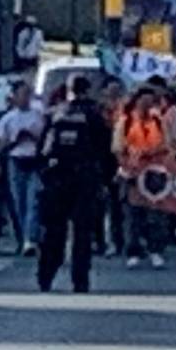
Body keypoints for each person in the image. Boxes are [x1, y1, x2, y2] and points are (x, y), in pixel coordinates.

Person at [36, 75, 115, 293]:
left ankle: (45, 275)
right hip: (85, 177)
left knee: (53, 229)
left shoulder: (55, 113)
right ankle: (80, 280)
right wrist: (106, 180)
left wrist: (44, 173)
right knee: (83, 231)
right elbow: (106, 149)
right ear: (87, 90)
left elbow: (41, 149)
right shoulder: (94, 115)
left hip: (56, 176)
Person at [116, 85, 176, 268]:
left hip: (154, 173)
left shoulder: (158, 121)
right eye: (144, 101)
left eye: (151, 101)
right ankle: (133, 251)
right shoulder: (126, 121)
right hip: (132, 174)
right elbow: (117, 148)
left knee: (156, 215)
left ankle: (155, 250)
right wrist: (129, 163)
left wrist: (155, 154)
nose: (147, 105)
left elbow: (168, 145)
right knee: (133, 215)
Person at [0, 82, 47, 257]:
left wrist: (33, 137)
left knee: (33, 201)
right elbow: (1, 144)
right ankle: (22, 235)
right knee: (19, 201)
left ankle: (29, 239)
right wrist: (15, 140)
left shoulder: (38, 116)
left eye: (27, 94)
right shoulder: (8, 119)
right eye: (21, 94)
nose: (25, 98)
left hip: (33, 160)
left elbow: (45, 140)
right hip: (15, 160)